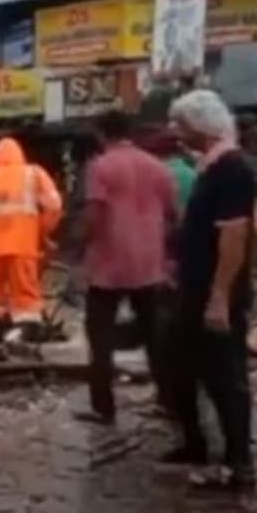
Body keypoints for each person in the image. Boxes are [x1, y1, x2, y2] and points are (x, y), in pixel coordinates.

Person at [165, 89, 257, 491]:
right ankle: (197, 444)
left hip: (214, 292)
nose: (176, 134)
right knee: (180, 370)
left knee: (225, 378)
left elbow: (233, 237)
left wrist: (220, 296)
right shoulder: (210, 166)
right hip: (195, 286)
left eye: (181, 125)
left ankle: (238, 464)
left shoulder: (231, 170)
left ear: (202, 127)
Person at [74, 111, 178, 426]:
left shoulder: (100, 167)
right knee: (155, 337)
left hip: (108, 266)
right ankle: (168, 402)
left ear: (100, 134)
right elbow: (175, 214)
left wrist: (78, 252)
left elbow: (94, 216)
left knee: (100, 339)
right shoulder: (157, 167)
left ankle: (103, 408)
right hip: (149, 265)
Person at [0, 137, 63, 344]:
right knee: (25, 297)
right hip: (22, 245)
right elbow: (54, 205)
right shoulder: (33, 174)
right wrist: (42, 232)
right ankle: (24, 334)